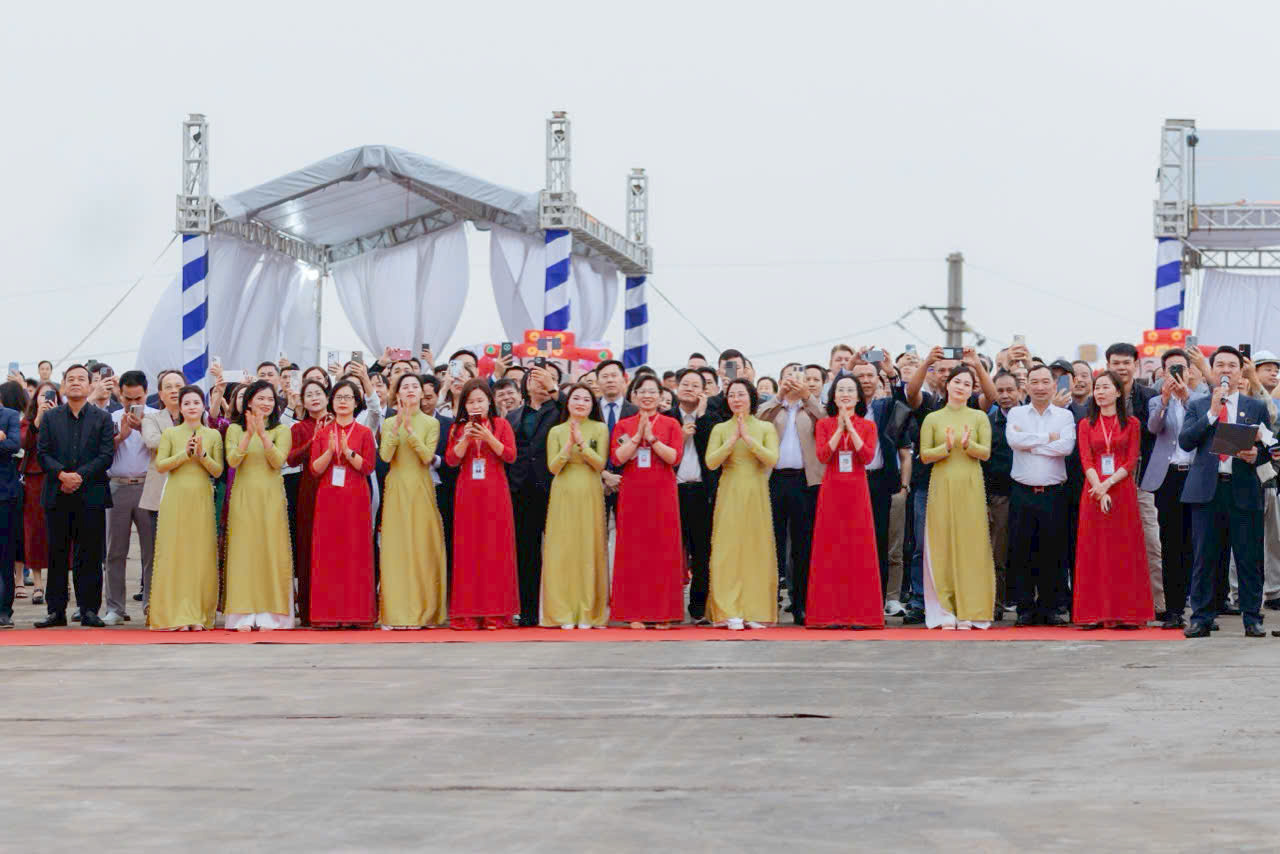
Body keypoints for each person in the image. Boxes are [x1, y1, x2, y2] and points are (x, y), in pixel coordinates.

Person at [1179, 346, 1273, 638]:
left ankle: (1252, 618)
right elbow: (1186, 441)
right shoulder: (1199, 405)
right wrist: (1211, 412)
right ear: (1212, 369)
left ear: (1240, 371)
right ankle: (1201, 618)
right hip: (1207, 491)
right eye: (1220, 365)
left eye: (1232, 365)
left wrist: (1255, 454)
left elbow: (1269, 448)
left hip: (1243, 489)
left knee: (1248, 557)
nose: (1226, 370)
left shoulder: (1255, 406)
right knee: (1204, 557)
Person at [34, 364, 115, 628]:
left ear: (90, 385)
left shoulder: (102, 418)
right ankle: (56, 611)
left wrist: (79, 476)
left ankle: (89, 609)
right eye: (71, 379)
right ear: (64, 386)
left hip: (91, 494)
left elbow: (106, 455)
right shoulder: (50, 417)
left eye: (82, 378)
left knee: (89, 555)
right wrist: (62, 475)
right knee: (56, 554)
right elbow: (42, 453)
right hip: (57, 494)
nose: (76, 382)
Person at [1072, 371, 1153, 628]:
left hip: (1121, 489)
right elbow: (1086, 459)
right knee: (1093, 550)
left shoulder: (1132, 423)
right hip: (1093, 490)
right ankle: (1092, 613)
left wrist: (1107, 485)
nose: (1100, 392)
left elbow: (1131, 460)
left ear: (1118, 392)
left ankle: (1126, 612)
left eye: (1106, 387)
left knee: (1123, 549)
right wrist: (1099, 486)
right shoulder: (1086, 424)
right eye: (1097, 388)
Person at [918, 365, 994, 629]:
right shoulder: (933, 418)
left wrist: (967, 444)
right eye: (957, 382)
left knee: (971, 546)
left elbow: (986, 453)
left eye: (967, 384)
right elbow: (925, 455)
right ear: (947, 384)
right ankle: (944, 610)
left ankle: (971, 610)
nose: (961, 387)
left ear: (972, 390)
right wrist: (946, 447)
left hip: (971, 484)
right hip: (941, 484)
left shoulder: (979, 417)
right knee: (941, 545)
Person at [806, 374, 882, 628]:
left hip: (858, 490)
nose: (845, 394)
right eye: (841, 390)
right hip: (832, 489)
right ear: (833, 396)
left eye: (850, 390)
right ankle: (830, 614)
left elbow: (867, 457)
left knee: (859, 549)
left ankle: (861, 615)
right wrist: (839, 428)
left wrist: (851, 427)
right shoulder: (824, 424)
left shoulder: (868, 425)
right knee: (831, 549)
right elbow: (823, 455)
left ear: (858, 397)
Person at [1005, 365, 1077, 626]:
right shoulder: (1016, 412)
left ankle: (1051, 607)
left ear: (1054, 385)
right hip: (1022, 492)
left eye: (1045, 382)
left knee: (1053, 551)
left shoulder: (1064, 416)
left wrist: (1031, 444)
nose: (1040, 387)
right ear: (1026, 386)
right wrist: (1048, 438)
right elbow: (1014, 441)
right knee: (1022, 550)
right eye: (1034, 382)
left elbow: (1066, 447)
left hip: (1053, 493)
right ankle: (1025, 608)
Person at [705, 379, 780, 630]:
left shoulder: (765, 427)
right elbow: (711, 463)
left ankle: (755, 610)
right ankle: (727, 610)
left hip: (756, 491)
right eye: (732, 395)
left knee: (756, 548)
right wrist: (731, 441)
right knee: (727, 550)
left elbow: (772, 459)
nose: (736, 399)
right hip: (729, 491)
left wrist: (748, 439)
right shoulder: (720, 429)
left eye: (741, 394)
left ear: (752, 398)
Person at [610, 375, 684, 628]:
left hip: (662, 493)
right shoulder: (623, 425)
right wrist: (637, 436)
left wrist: (651, 438)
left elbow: (674, 457)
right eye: (642, 391)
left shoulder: (671, 423)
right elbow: (618, 458)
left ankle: (663, 612)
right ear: (633, 395)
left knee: (663, 550)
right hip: (633, 493)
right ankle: (634, 612)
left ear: (661, 395)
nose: (647, 396)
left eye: (652, 391)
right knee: (634, 551)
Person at [148, 386, 224, 630]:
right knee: (175, 554)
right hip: (175, 498)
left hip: (202, 498)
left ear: (203, 406)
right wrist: (185, 454)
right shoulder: (170, 433)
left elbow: (218, 471)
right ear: (180, 408)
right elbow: (161, 465)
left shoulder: (213, 435)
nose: (192, 407)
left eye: (196, 402)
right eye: (187, 403)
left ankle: (198, 615)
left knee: (200, 555)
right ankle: (176, 615)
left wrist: (202, 455)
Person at [445, 380, 519, 630]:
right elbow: (451, 460)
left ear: (489, 402)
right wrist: (465, 439)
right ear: (464, 405)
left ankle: (496, 613)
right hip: (467, 493)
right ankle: (468, 613)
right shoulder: (457, 428)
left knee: (495, 549)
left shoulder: (501, 425)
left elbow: (510, 455)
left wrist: (488, 437)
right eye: (471, 402)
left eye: (480, 400)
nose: (476, 406)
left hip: (495, 492)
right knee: (469, 551)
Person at [378, 373, 449, 628]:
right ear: (397, 394)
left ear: (421, 393)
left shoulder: (431, 422)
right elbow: (385, 456)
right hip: (396, 488)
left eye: (414, 386)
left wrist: (410, 431)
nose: (410, 390)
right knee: (396, 549)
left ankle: (425, 612)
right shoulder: (389, 422)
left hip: (421, 487)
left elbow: (427, 457)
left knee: (422, 547)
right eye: (405, 387)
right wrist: (397, 427)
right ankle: (396, 613)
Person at [223, 380, 294, 631]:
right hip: (244, 496)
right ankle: (243, 614)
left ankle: (272, 615)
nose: (266, 403)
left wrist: (263, 435)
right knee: (244, 553)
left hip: (271, 497)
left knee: (271, 552)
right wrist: (248, 435)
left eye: (270, 399)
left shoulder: (281, 430)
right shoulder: (234, 429)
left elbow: (278, 461)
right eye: (260, 398)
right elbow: (232, 461)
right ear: (249, 401)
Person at [757, 363, 824, 624]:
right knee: (772, 542)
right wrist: (779, 397)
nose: (793, 381)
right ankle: (768, 600)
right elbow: (758, 420)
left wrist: (807, 396)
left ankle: (801, 603)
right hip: (774, 479)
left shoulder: (812, 407)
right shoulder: (774, 407)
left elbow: (826, 421)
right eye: (788, 377)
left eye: (798, 378)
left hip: (804, 481)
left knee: (802, 545)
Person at [308, 380, 377, 628]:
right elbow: (314, 470)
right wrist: (329, 452)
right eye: (338, 397)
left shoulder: (364, 432)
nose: (343, 402)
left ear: (356, 402)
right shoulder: (323, 433)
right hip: (328, 498)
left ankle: (355, 614)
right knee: (329, 554)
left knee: (355, 552)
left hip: (355, 498)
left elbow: (368, 467)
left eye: (348, 397)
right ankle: (328, 614)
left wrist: (348, 452)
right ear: (331, 402)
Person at [539, 384, 609, 628]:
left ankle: (589, 611)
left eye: (586, 399)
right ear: (567, 403)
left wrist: (582, 444)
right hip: (563, 492)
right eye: (576, 398)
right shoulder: (556, 431)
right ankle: (563, 612)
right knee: (563, 550)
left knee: (588, 549)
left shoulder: (599, 428)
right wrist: (568, 445)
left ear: (592, 405)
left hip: (590, 491)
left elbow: (600, 464)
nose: (581, 403)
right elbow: (553, 467)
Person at [1141, 348, 1200, 629]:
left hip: (1196, 475)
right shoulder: (1155, 400)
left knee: (1197, 543)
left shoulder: (1200, 399)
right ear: (1163, 373)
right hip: (1168, 478)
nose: (1176, 374)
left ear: (1189, 372)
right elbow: (1153, 428)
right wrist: (1165, 400)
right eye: (1170, 369)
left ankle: (1200, 607)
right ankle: (1174, 609)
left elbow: (1204, 426)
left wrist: (1185, 397)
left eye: (1181, 369)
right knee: (1171, 543)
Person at [1105, 342, 1164, 618]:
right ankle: (1114, 604)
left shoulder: (1150, 397)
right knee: (1111, 546)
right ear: (1108, 366)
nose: (1121, 368)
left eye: (1126, 363)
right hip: (1107, 484)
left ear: (1136, 365)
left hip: (1142, 481)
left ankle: (1158, 603)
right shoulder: (1100, 397)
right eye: (1116, 363)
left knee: (1151, 543)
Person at [854, 360, 912, 615]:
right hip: (851, 481)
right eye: (860, 376)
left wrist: (891, 374)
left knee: (880, 541)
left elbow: (903, 404)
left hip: (879, 481)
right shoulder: (845, 408)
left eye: (871, 375)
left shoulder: (884, 407)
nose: (866, 380)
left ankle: (877, 602)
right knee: (854, 542)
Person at [506, 365, 561, 625]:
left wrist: (553, 387)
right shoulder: (514, 415)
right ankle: (528, 611)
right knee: (526, 552)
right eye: (534, 377)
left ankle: (557, 609)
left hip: (551, 487)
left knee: (557, 549)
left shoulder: (559, 410)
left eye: (544, 379)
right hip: (521, 489)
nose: (538, 382)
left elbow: (577, 407)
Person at [102, 371, 155, 625]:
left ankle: (152, 604)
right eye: (127, 398)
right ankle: (115, 608)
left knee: (151, 550)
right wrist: (121, 436)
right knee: (115, 551)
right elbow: (102, 453)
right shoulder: (110, 418)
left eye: (138, 398)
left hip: (148, 486)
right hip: (117, 486)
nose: (133, 403)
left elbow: (163, 449)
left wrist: (143, 427)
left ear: (146, 393)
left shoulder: (157, 417)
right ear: (119, 394)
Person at [285, 379, 331, 625]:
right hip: (309, 489)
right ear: (302, 401)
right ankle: (309, 609)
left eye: (318, 393)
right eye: (309, 395)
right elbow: (291, 459)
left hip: (337, 487)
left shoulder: (339, 422)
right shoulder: (299, 428)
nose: (314, 398)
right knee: (307, 547)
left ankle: (335, 606)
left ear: (327, 397)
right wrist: (314, 440)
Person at [671, 368, 715, 622]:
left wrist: (701, 415)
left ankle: (698, 607)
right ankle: (670, 605)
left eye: (695, 385)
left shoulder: (710, 418)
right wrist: (680, 434)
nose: (689, 388)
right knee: (671, 550)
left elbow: (711, 449)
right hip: (672, 491)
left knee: (701, 552)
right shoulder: (666, 417)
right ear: (677, 387)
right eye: (685, 384)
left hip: (700, 492)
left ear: (703, 391)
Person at [137, 369, 184, 606]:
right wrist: (187, 439)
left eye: (178, 386)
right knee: (156, 552)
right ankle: (153, 603)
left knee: (186, 552)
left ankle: (184, 602)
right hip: (160, 493)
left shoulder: (199, 414)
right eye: (169, 387)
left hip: (191, 492)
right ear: (161, 394)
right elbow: (152, 441)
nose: (174, 390)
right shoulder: (152, 418)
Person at [984, 371, 1019, 618]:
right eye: (1000, 391)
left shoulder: (1029, 417)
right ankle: (996, 603)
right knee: (998, 553)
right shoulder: (987, 422)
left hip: (1028, 492)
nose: (1005, 395)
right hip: (999, 495)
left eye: (1010, 390)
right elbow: (983, 464)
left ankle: (1026, 602)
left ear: (1020, 391)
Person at [20, 382, 57, 606]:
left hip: (59, 476)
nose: (47, 399)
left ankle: (61, 581)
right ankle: (37, 583)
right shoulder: (28, 420)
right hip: (35, 478)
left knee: (61, 529)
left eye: (51, 395)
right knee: (35, 530)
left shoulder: (65, 418)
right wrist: (38, 419)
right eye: (43, 395)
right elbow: (25, 443)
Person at [0, 389, 19, 628]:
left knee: (4, 555)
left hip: (4, 494)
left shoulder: (10, 415)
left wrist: (4, 440)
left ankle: (4, 609)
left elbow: (14, 444)